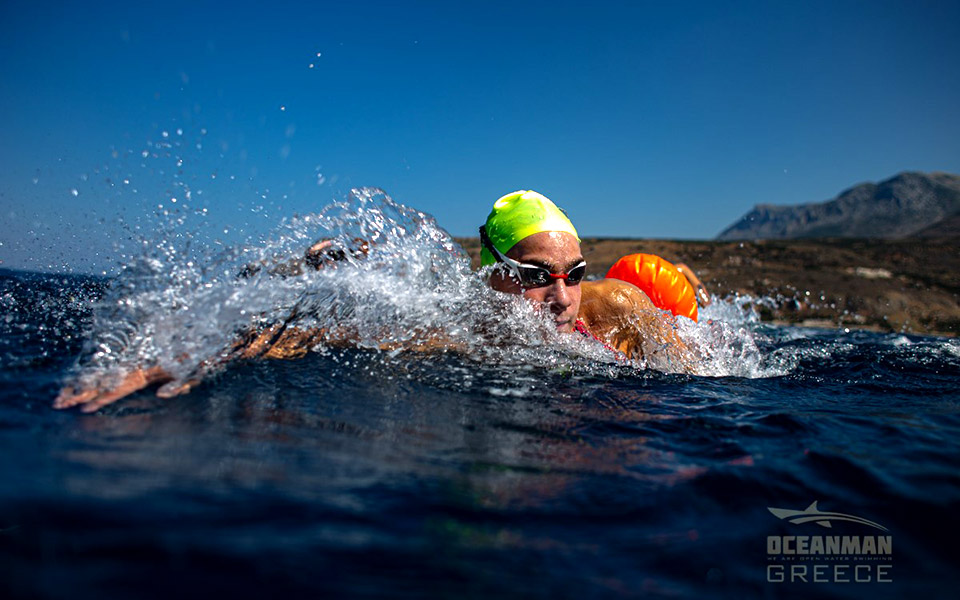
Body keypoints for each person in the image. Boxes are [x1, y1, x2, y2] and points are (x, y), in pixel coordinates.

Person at [55, 190, 703, 412]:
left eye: (574, 273)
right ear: (495, 276)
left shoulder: (614, 305)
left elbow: (700, 376)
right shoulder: (452, 326)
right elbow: (302, 332)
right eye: (537, 276)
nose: (561, 297)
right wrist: (169, 359)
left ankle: (686, 281)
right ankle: (329, 257)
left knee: (664, 288)